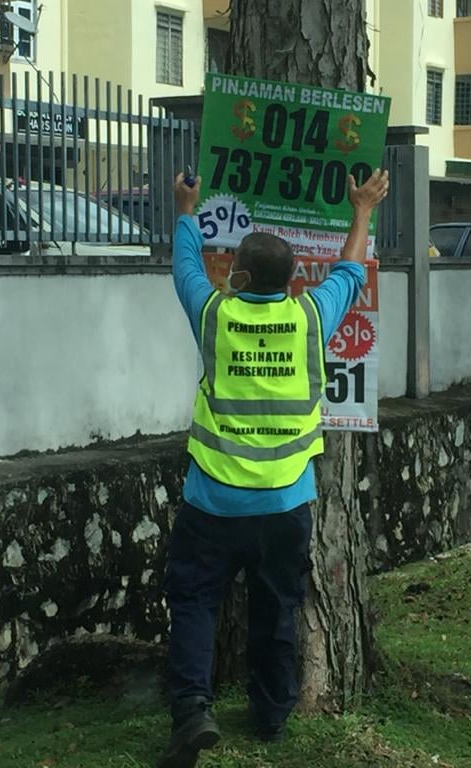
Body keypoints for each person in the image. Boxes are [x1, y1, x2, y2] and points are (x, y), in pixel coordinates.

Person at [158, 167, 390, 768]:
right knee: (276, 608)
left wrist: (186, 208)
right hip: (286, 505)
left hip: (212, 502)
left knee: (194, 601)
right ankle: (272, 715)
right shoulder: (311, 318)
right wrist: (360, 208)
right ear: (292, 281)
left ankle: (192, 711)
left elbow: (184, 267)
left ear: (236, 276)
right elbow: (350, 268)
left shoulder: (215, 316)